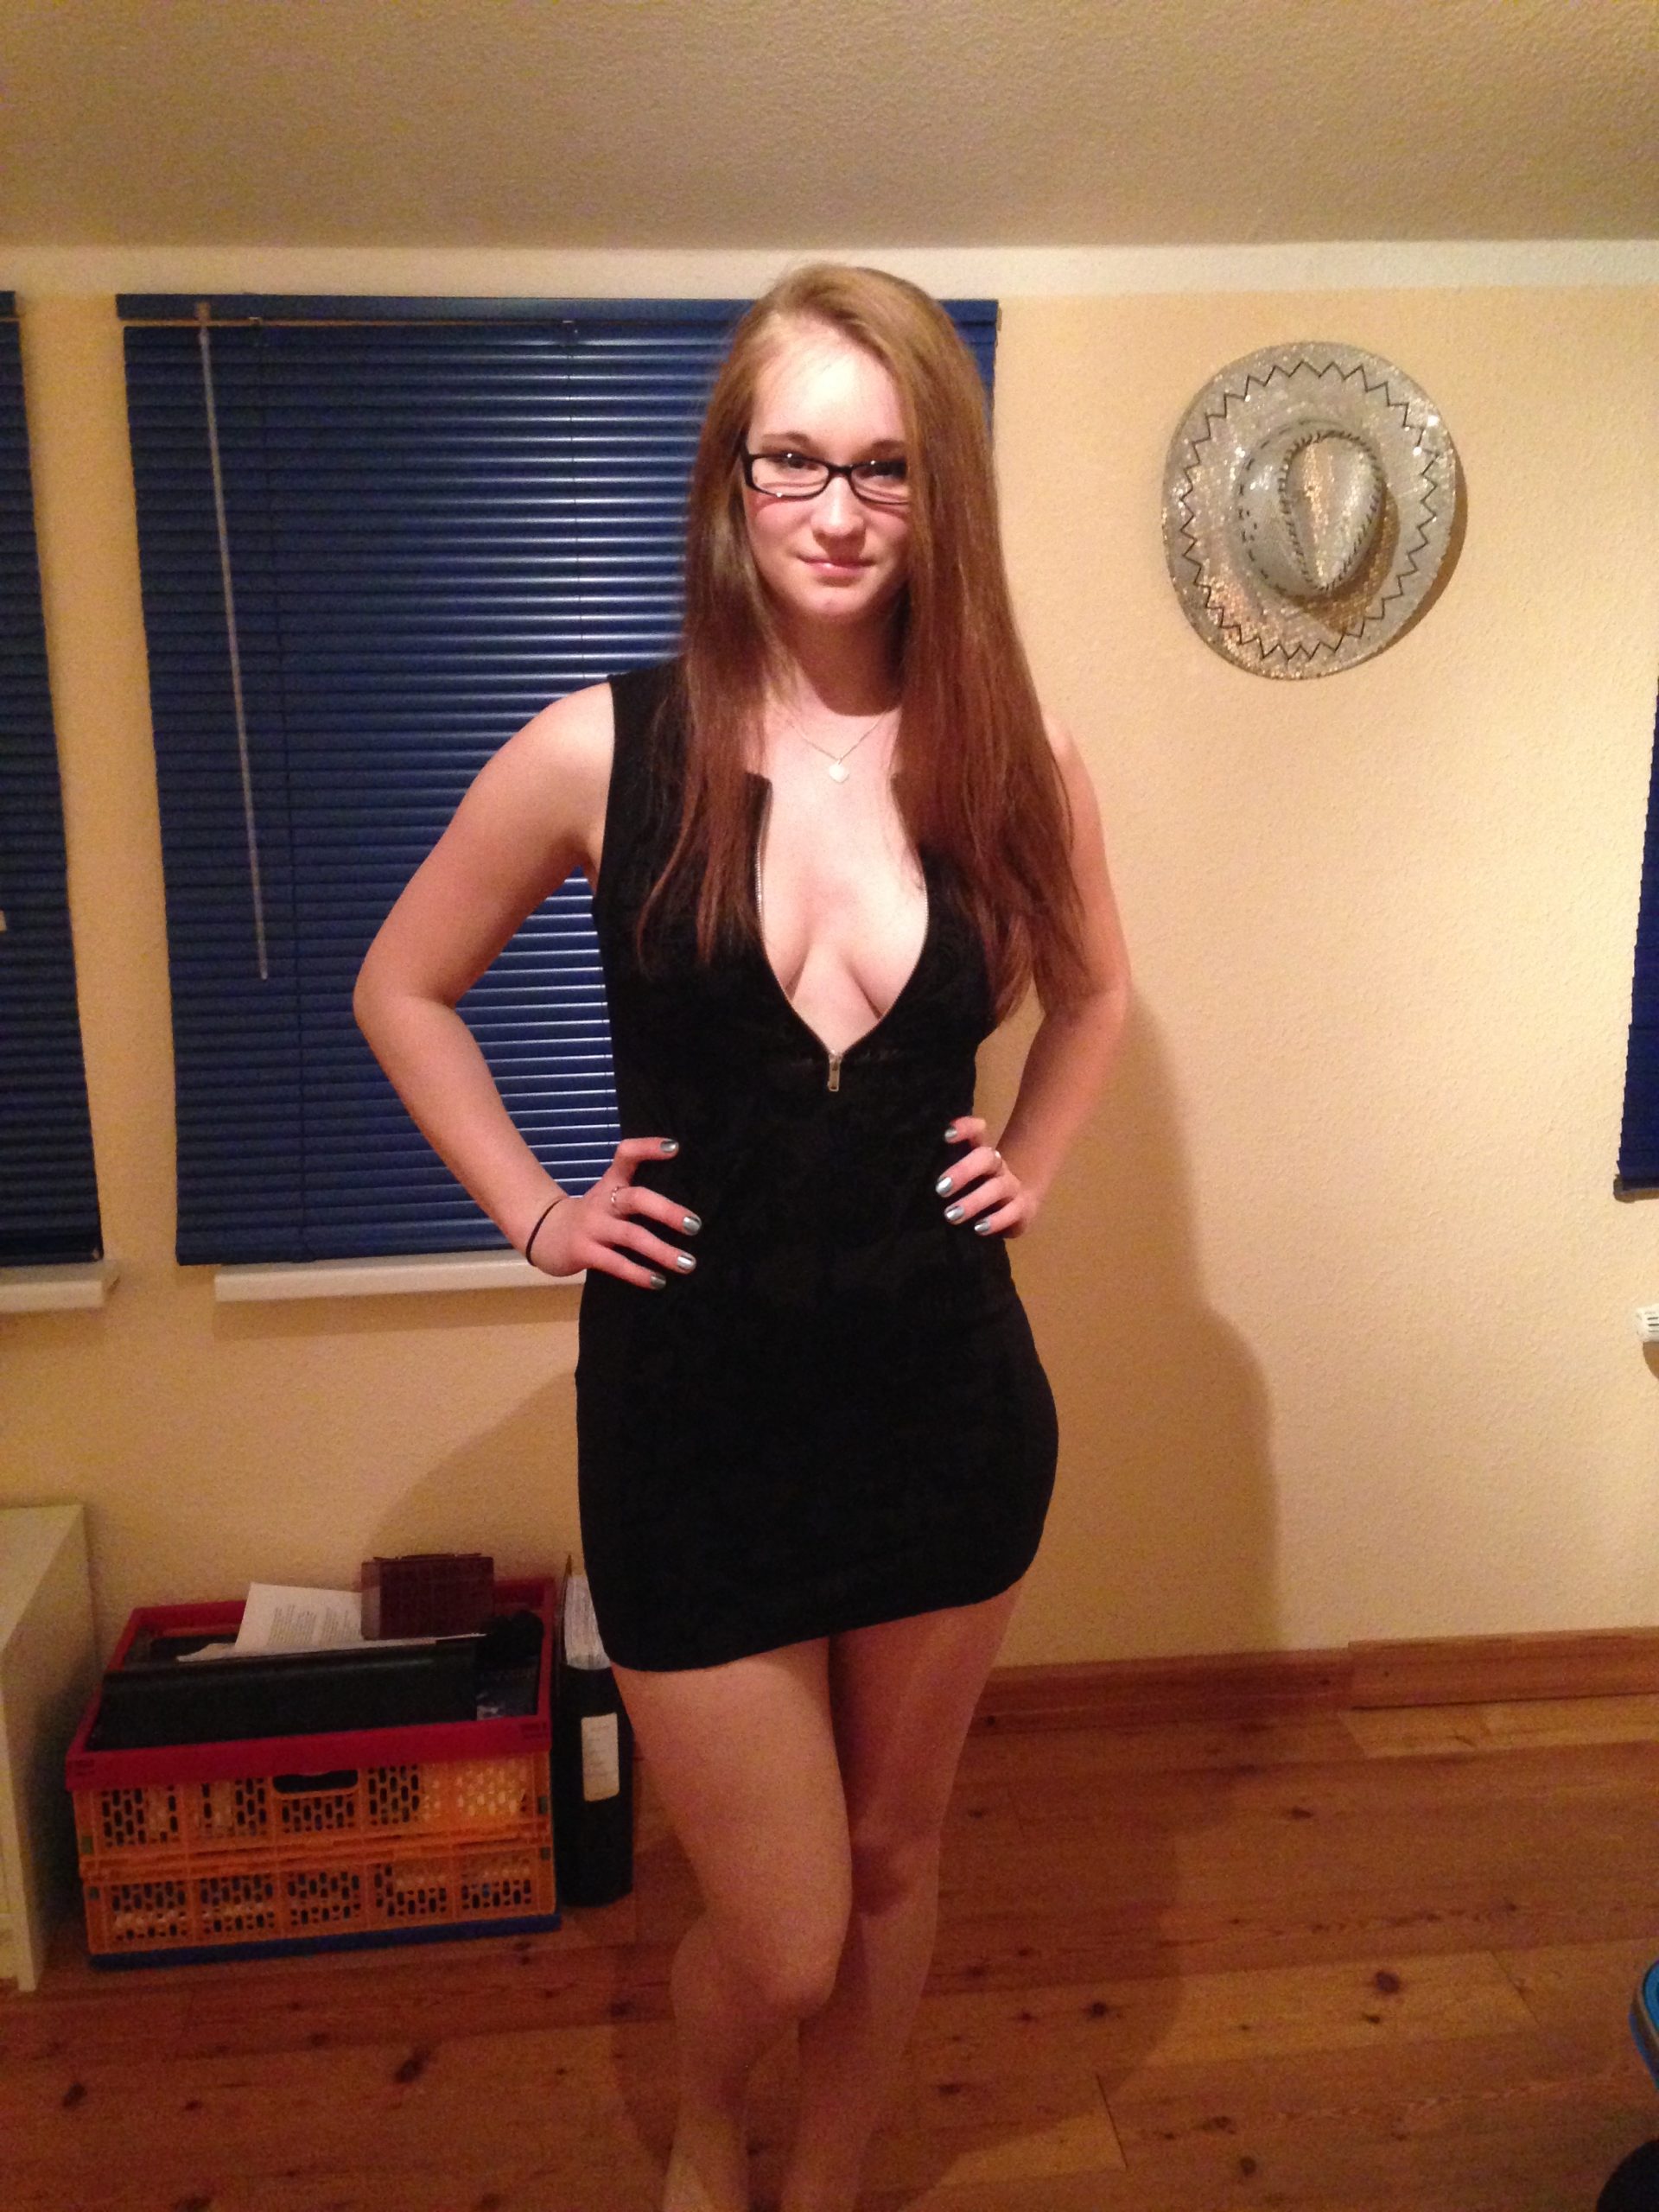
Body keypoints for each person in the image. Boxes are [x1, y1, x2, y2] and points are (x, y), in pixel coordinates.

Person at [355, 263, 1129, 2212]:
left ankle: (831, 2174)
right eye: (794, 459)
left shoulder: (1013, 759)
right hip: (692, 1431)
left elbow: (1100, 993)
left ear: (940, 492)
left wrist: (1035, 1156)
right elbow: (401, 986)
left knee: (893, 1855)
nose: (839, 509)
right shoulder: (600, 751)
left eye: (887, 466)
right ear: (729, 478)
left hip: (948, 1411)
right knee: (782, 1933)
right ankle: (715, 2119)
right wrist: (538, 1210)